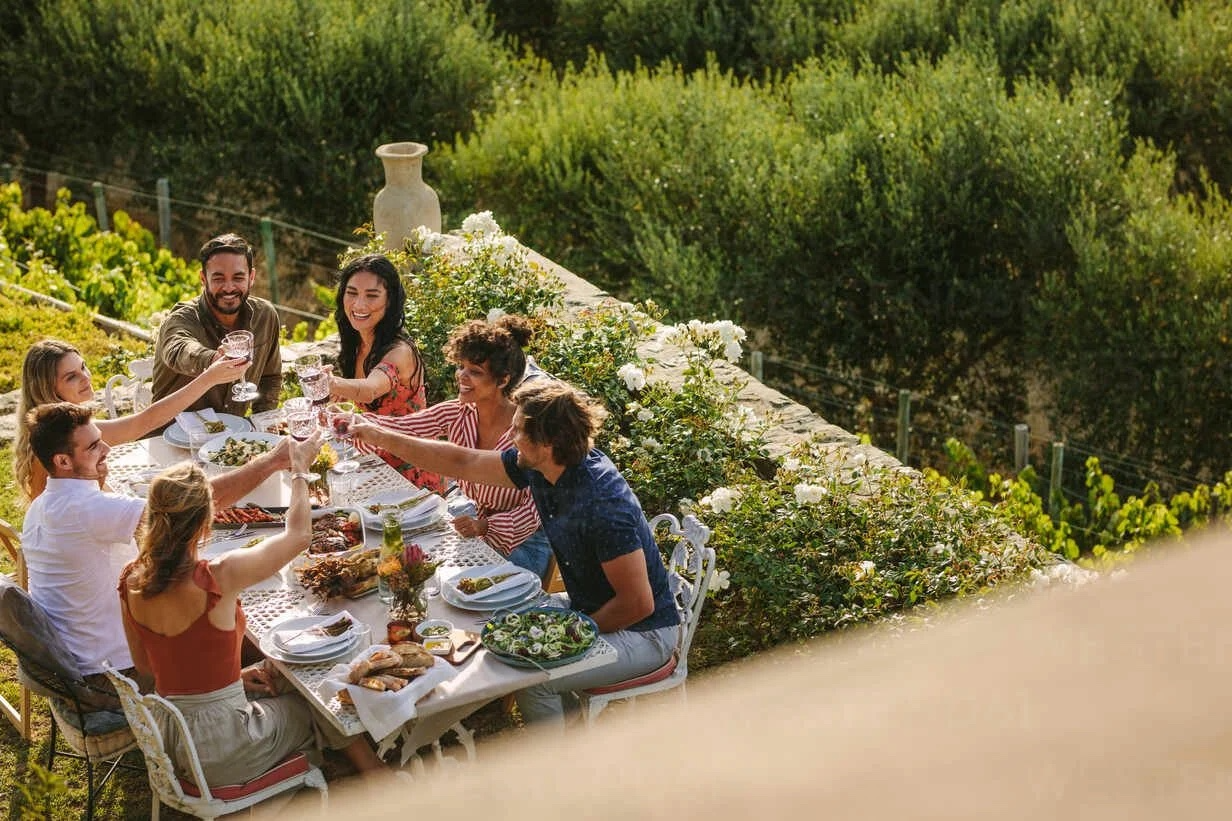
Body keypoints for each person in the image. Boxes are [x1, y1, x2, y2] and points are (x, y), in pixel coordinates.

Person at [352, 380, 680, 729]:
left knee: (532, 681)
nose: (509, 434)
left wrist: (561, 634)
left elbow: (638, 604)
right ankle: (575, 735)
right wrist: (379, 436)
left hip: (644, 633)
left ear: (549, 442)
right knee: (497, 623)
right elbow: (462, 460)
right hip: (591, 607)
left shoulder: (601, 505)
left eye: (519, 429)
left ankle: (557, 774)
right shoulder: (546, 466)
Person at [117, 443, 385, 785]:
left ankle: (356, 767)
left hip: (172, 736)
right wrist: (300, 471)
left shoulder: (130, 576)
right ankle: (373, 771)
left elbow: (146, 667)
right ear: (205, 523)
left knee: (281, 674)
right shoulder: (218, 575)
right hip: (225, 746)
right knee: (315, 696)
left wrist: (226, 680)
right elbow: (300, 535)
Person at [21, 402, 298, 693]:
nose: (107, 449)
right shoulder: (85, 508)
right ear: (63, 462)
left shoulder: (42, 505)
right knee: (267, 640)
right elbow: (194, 505)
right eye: (93, 447)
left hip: (78, 661)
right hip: (112, 677)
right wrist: (273, 461)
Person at [357, 315, 550, 578]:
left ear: (503, 380)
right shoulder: (459, 412)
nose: (462, 376)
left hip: (524, 544)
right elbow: (406, 427)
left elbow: (535, 509)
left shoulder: (529, 430)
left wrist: (484, 526)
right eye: (461, 367)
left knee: (449, 581)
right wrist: (355, 424)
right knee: (407, 560)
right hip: (473, 522)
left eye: (475, 372)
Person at [14, 338, 247, 502]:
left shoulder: (61, 432)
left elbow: (143, 423)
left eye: (83, 367)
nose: (85, 377)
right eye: (71, 377)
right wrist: (208, 379)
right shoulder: (54, 447)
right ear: (49, 390)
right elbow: (143, 422)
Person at [325, 252, 441, 491]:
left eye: (372, 295)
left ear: (390, 301)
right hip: (372, 464)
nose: (359, 305)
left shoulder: (400, 351)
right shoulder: (358, 344)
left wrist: (328, 382)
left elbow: (369, 391)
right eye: (352, 293)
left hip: (411, 473)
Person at [152, 233, 282, 415]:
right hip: (169, 437)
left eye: (238, 278)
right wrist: (212, 360)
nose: (229, 288)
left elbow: (270, 378)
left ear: (251, 277)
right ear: (203, 278)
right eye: (218, 278)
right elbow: (179, 349)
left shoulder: (265, 316)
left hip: (231, 439)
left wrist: (262, 422)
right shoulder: (181, 318)